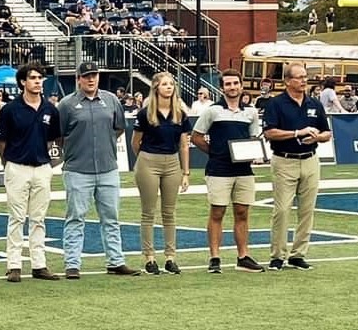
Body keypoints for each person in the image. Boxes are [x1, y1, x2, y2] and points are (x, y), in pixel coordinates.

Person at [57, 62, 139, 279]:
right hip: (77, 169)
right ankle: (72, 264)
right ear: (78, 79)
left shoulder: (111, 100)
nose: (91, 79)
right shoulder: (66, 105)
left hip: (108, 168)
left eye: (94, 75)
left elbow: (119, 128)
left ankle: (116, 261)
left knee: (111, 217)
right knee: (75, 217)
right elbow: (59, 134)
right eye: (86, 76)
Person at [190, 68, 266, 274]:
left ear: (241, 86)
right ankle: (214, 257)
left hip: (244, 170)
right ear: (222, 88)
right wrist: (214, 153)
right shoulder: (212, 111)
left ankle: (243, 256)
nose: (232, 87)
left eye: (235, 83)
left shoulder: (250, 112)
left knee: (242, 212)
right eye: (228, 84)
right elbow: (196, 136)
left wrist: (255, 153)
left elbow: (253, 139)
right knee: (217, 212)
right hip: (218, 169)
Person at [262, 62, 332, 271]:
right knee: (282, 209)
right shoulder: (275, 104)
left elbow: (327, 133)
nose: (304, 81)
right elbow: (269, 132)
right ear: (287, 81)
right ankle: (277, 254)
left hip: (310, 159)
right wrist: (297, 133)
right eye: (299, 77)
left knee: (307, 210)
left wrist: (317, 137)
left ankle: (298, 254)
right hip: (284, 160)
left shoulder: (314, 103)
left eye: (305, 77)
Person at [0, 63, 61, 282]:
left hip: (42, 167)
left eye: (40, 78)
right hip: (17, 167)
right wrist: (10, 163)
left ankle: (39, 264)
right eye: (33, 78)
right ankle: (14, 265)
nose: (37, 81)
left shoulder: (50, 109)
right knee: (16, 218)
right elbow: (2, 142)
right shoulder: (10, 110)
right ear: (23, 82)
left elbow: (53, 138)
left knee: (39, 218)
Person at [131, 72, 191, 275]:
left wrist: (186, 172)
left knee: (169, 212)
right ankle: (149, 257)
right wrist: (145, 159)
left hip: (172, 162)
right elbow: (135, 142)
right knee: (148, 212)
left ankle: (170, 257)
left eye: (171, 84)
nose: (169, 87)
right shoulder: (145, 113)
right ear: (156, 87)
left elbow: (184, 145)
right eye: (165, 84)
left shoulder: (180, 114)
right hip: (149, 160)